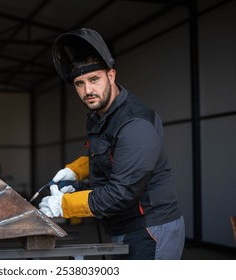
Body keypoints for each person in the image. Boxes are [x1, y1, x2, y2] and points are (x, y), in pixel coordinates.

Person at [38, 28, 185, 260]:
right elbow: (111, 154)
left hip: (150, 228)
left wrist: (65, 205)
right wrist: (75, 170)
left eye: (94, 79)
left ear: (111, 75)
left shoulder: (135, 123)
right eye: (79, 83)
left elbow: (121, 193)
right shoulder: (102, 114)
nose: (88, 91)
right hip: (122, 226)